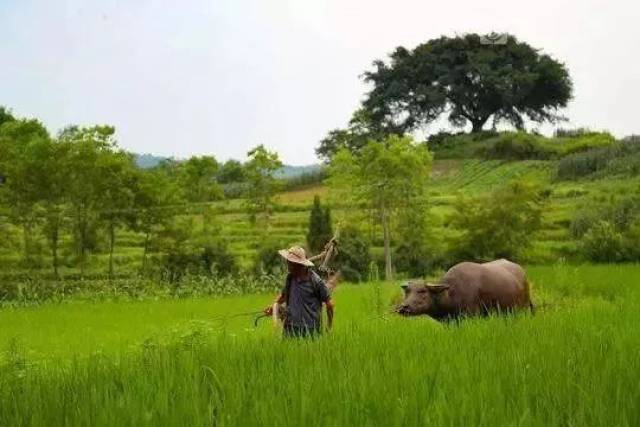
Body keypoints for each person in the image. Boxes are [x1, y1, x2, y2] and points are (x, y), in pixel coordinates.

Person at [264, 245, 335, 338]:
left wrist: (329, 326)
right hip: (290, 328)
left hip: (310, 330)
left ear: (300, 265)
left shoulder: (316, 282)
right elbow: (283, 296)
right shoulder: (290, 278)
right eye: (288, 262)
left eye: (291, 263)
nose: (288, 265)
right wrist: (274, 307)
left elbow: (329, 304)